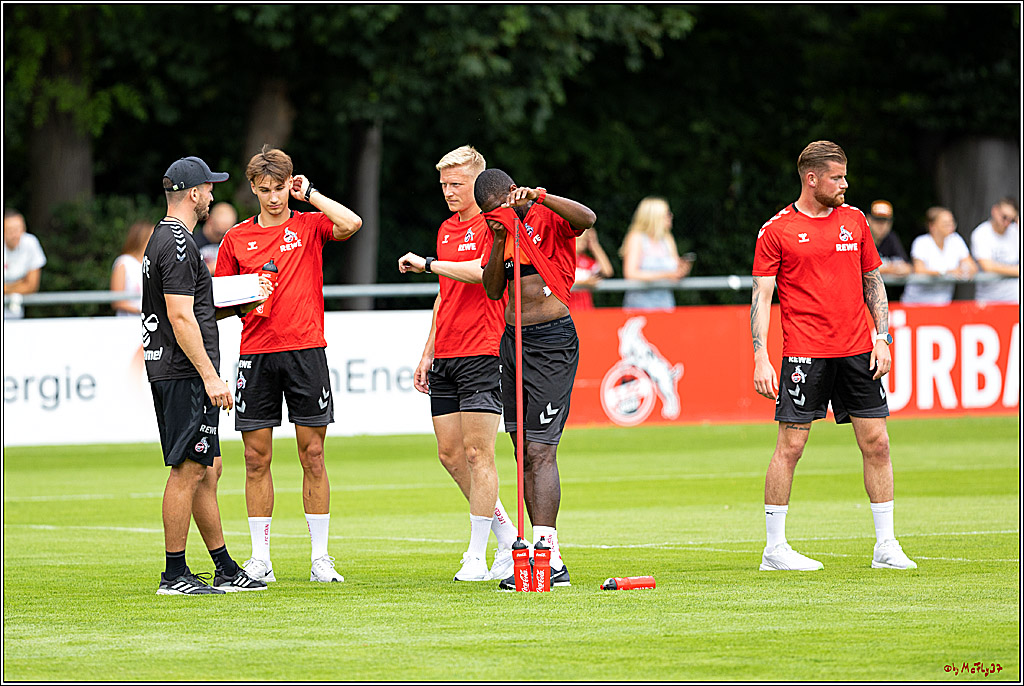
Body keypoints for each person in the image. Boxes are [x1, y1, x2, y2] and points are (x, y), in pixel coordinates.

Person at [751, 140, 916, 572]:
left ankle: (886, 545)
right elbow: (761, 296)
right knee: (792, 444)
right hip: (805, 353)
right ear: (812, 179)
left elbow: (873, 282)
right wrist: (760, 357)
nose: (845, 184)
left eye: (844, 176)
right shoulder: (777, 230)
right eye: (837, 177)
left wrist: (883, 337)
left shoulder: (855, 221)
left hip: (858, 350)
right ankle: (775, 549)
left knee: (877, 442)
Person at [215, 145, 362, 583]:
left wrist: (310, 193)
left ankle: (320, 558)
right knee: (256, 458)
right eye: (265, 190)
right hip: (256, 354)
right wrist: (246, 298)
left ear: (290, 184)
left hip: (305, 351)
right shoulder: (236, 238)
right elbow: (217, 305)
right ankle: (260, 559)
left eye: (280, 188)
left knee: (312, 454)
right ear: (253, 190)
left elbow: (351, 223)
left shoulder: (309, 224)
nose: (274, 198)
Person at [144, 156, 269, 595]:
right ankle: (174, 574)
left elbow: (193, 306)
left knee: (207, 468)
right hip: (183, 371)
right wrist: (211, 376)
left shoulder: (164, 238)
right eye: (209, 189)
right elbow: (180, 318)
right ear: (194, 193)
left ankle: (223, 566)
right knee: (188, 469)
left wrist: (241, 303)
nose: (213, 197)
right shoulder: (178, 242)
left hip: (174, 368)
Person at [397, 145, 519, 582]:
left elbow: (482, 271)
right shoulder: (447, 227)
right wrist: (428, 349)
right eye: (444, 184)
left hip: (484, 348)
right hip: (447, 350)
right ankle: (507, 539)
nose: (448, 192)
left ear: (478, 182)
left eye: (457, 184)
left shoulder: (497, 225)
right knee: (450, 455)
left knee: (478, 452)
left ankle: (476, 555)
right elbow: (445, 291)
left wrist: (429, 264)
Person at [477, 168, 597, 590]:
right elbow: (493, 291)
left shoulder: (546, 215)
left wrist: (542, 197)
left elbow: (587, 219)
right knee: (521, 450)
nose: (494, 218)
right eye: (487, 216)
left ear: (513, 194)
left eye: (497, 211)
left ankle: (550, 556)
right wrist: (495, 236)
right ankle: (533, 557)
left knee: (541, 451)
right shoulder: (497, 231)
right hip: (513, 341)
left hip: (551, 341)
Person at [619, 196, 692, 311]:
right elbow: (631, 274)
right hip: (639, 306)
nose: (671, 216)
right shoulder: (636, 238)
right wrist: (667, 275)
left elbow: (675, 271)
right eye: (667, 213)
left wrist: (682, 269)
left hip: (665, 304)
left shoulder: (667, 239)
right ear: (654, 216)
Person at [901, 206, 976, 306]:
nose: (951, 227)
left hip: (943, 303)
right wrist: (946, 272)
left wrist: (965, 270)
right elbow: (919, 270)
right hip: (916, 303)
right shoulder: (921, 243)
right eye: (946, 224)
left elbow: (971, 266)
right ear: (932, 226)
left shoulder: (956, 240)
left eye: (952, 223)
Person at [970, 197, 1019, 304]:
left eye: (1011, 220)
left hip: (1015, 299)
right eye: (1004, 217)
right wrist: (1017, 271)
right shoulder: (981, 233)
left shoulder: (1015, 231)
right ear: (995, 210)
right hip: (989, 300)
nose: (1007, 223)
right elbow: (987, 266)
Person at [3, 208, 46, 319]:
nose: (15, 235)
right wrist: (19, 284)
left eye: (18, 229)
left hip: (16, 313)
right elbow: (26, 285)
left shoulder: (30, 243)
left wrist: (6, 289)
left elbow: (31, 286)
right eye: (10, 230)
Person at [110, 220, 154, 316]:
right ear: (142, 239)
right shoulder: (123, 263)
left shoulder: (151, 263)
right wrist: (144, 310)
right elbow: (117, 301)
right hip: (129, 324)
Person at [570, 226, 614, 310]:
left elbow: (607, 271)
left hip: (586, 310)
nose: (582, 244)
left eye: (584, 241)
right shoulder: (562, 260)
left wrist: (594, 245)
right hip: (568, 311)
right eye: (579, 240)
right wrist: (584, 283)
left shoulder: (586, 261)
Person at [866, 200, 911, 277]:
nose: (881, 225)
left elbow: (907, 267)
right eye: (877, 220)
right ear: (868, 219)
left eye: (885, 221)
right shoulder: (860, 238)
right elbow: (861, 268)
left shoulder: (891, 238)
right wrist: (890, 269)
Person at [194, 201, 237, 275]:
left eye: (226, 232)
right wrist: (211, 268)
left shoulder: (232, 244)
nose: (222, 237)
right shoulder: (193, 243)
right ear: (209, 220)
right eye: (219, 233)